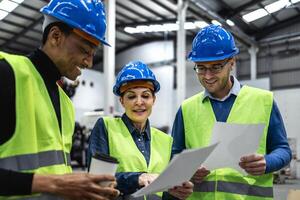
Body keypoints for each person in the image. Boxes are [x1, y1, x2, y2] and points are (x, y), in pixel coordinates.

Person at [0, 0, 119, 199]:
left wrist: (84, 188)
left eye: (93, 54)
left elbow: (56, 174)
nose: (89, 62)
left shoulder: (66, 104)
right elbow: (55, 182)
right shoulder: (7, 74)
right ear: (56, 36)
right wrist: (55, 184)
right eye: (85, 50)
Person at [171, 24, 292, 200]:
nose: (207, 76)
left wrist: (267, 162)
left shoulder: (263, 101)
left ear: (232, 63)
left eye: (216, 67)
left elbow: (283, 149)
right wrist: (186, 170)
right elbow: (174, 155)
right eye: (201, 68)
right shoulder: (187, 108)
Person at [88, 61, 194, 200]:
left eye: (145, 96)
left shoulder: (165, 140)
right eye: (131, 96)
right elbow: (97, 180)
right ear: (121, 101)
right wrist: (138, 178)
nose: (139, 102)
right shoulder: (106, 127)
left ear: (153, 100)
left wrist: (176, 191)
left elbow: (162, 193)